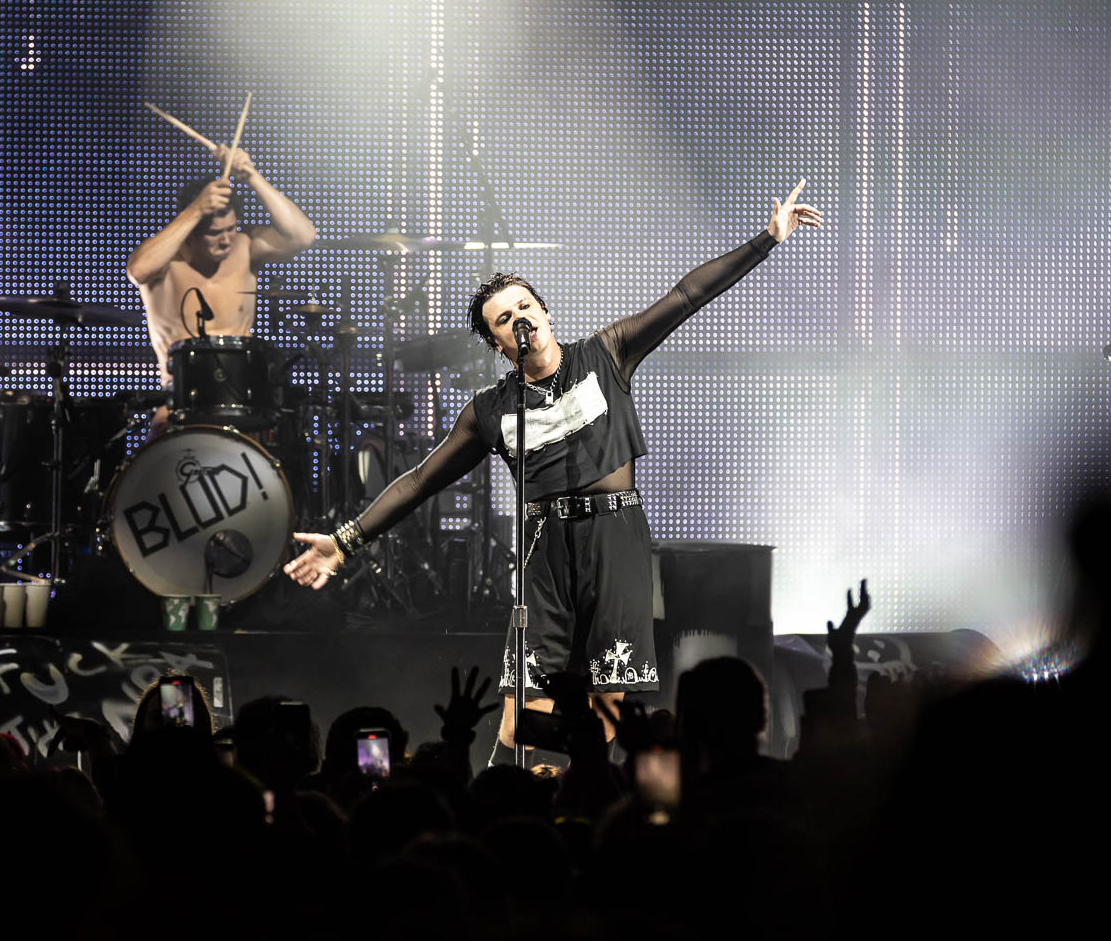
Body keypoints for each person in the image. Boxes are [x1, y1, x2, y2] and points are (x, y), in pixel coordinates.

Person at [285, 180, 823, 764]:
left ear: (544, 312)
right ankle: (512, 798)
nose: (519, 318)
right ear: (496, 343)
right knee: (521, 725)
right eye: (502, 319)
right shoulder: (490, 410)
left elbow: (686, 294)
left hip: (614, 539)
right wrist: (345, 542)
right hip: (544, 550)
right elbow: (420, 480)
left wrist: (767, 239)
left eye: (524, 306)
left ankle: (582, 802)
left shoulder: (607, 354)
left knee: (606, 709)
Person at [125, 143, 316, 432]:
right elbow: (137, 270)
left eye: (230, 229)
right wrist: (196, 209)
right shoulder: (165, 259)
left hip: (244, 396)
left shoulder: (246, 247)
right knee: (161, 441)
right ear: (193, 230)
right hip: (179, 398)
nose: (226, 240)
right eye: (215, 233)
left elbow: (303, 236)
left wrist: (252, 176)